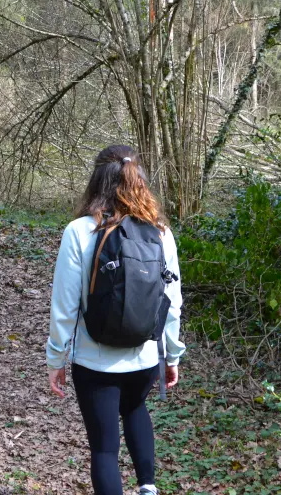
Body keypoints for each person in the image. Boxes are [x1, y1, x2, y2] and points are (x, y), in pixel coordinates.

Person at [45, 145, 185, 495]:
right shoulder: (160, 232)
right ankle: (148, 488)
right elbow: (173, 301)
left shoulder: (79, 231)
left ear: (96, 180)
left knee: (105, 449)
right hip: (144, 355)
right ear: (139, 179)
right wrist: (172, 355)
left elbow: (64, 307)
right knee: (136, 409)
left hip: (95, 360)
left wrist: (56, 358)